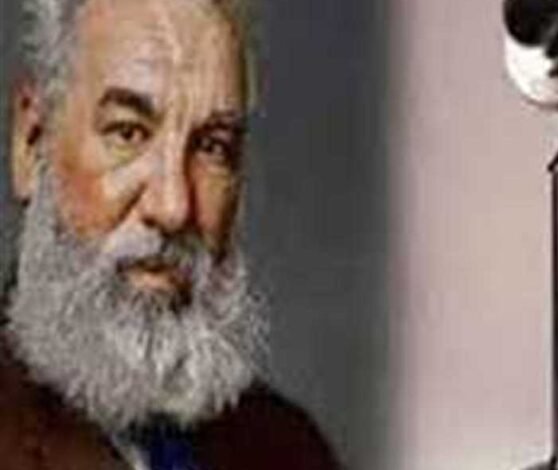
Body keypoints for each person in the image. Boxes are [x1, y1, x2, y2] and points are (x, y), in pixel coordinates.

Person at [0, 0, 340, 468]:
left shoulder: (287, 448)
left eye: (213, 147)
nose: (174, 206)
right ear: (32, 142)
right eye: (128, 133)